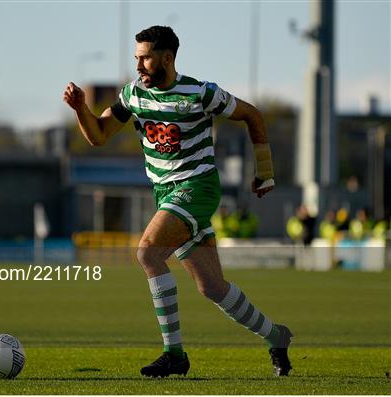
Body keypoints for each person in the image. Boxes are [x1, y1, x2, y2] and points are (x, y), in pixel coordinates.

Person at [63, 25, 292, 378]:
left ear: (167, 58)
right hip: (166, 195)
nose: (138, 65)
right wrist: (81, 109)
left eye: (145, 58)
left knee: (148, 252)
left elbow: (253, 115)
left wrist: (265, 172)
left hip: (197, 187)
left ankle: (174, 354)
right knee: (213, 288)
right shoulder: (132, 95)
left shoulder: (200, 93)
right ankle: (277, 336)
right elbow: (98, 136)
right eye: (136, 58)